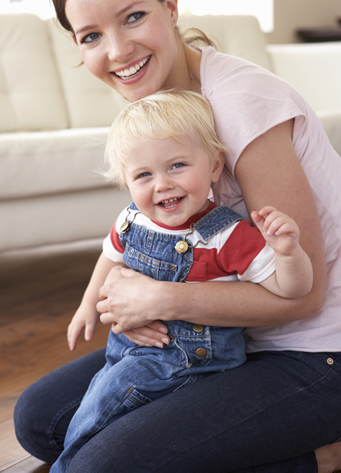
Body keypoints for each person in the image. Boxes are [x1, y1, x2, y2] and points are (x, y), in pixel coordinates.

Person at [14, 0, 341, 472]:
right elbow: (149, 242)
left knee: (100, 466)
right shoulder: (157, 110)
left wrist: (157, 301)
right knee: (40, 419)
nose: (118, 51)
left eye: (133, 17)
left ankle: (317, 456)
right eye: (90, 35)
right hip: (218, 341)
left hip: (316, 353)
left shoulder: (240, 103)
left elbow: (304, 299)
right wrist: (128, 308)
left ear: (169, 4)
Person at [50, 90, 313, 473]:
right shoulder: (131, 220)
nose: (162, 184)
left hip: (191, 362)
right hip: (126, 348)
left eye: (177, 165)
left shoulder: (226, 235)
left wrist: (289, 254)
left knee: (104, 402)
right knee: (98, 400)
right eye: (144, 174)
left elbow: (293, 290)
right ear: (126, 180)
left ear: (214, 166)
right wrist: (87, 307)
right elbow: (110, 257)